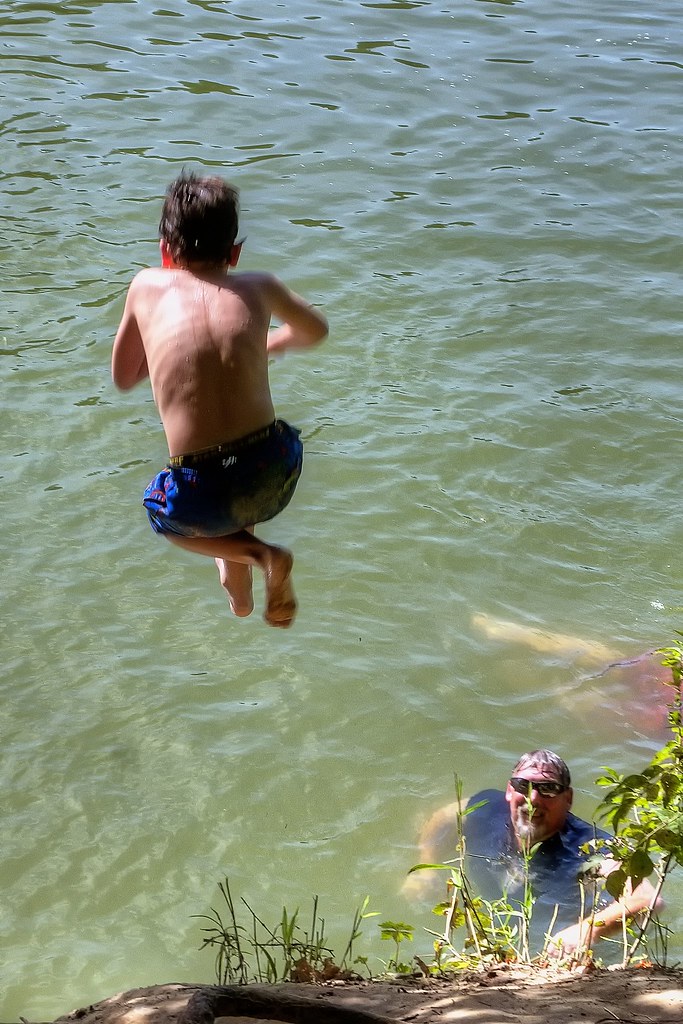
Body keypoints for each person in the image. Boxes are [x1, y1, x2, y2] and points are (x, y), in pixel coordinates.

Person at [112, 173, 328, 628]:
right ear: (235, 254)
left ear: (164, 250)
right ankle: (243, 601)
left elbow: (124, 376)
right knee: (234, 496)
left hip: (201, 490)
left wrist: (163, 349)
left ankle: (264, 557)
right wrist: (275, 343)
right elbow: (316, 330)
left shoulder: (146, 285)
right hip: (275, 470)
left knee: (162, 513)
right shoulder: (261, 285)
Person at [404, 749, 662, 956]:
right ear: (509, 791)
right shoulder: (487, 809)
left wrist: (586, 931)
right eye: (523, 785)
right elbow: (448, 815)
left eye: (548, 789)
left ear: (568, 798)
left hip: (562, 950)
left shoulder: (589, 845)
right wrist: (425, 865)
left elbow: (648, 899)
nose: (533, 798)